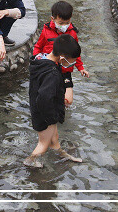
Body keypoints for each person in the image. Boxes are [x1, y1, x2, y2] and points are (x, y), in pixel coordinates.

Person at [25, 33, 83, 168]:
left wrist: (58, 98)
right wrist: (51, 118)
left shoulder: (41, 59)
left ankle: (61, 153)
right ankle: (30, 161)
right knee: (43, 143)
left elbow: (44, 91)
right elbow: (44, 98)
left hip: (44, 110)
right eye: (72, 60)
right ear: (62, 57)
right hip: (45, 115)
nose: (72, 63)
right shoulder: (51, 73)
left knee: (54, 138)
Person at [32, 1, 90, 107]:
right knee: (48, 95)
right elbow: (38, 47)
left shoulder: (72, 33)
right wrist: (36, 62)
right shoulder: (46, 31)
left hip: (65, 71)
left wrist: (81, 68)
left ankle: (62, 111)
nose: (64, 26)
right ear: (52, 19)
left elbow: (75, 53)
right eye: (61, 23)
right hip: (49, 69)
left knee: (68, 100)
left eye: (67, 22)